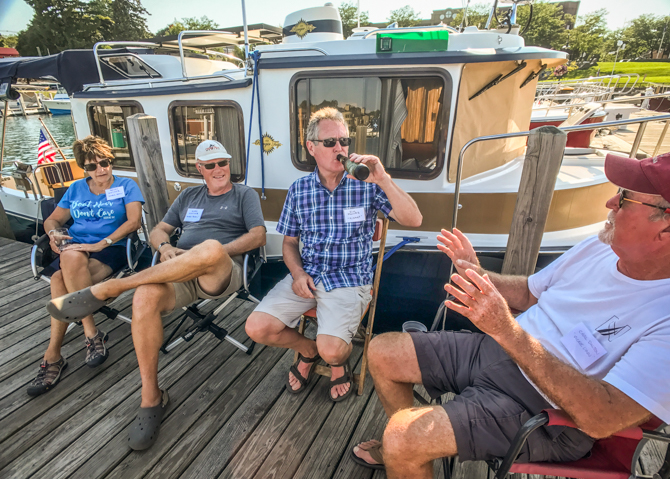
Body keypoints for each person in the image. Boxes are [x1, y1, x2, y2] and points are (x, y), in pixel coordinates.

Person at [351, 152, 670, 478]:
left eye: (625, 198)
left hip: (545, 410)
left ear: (666, 225)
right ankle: (411, 453)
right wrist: (475, 273)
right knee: (381, 351)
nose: (610, 202)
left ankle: (406, 446)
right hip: (501, 351)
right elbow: (530, 293)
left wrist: (505, 330)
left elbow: (602, 418)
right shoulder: (598, 247)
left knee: (402, 436)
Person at [47, 139, 266, 450]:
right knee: (145, 296)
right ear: (200, 169)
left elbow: (258, 235)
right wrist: (164, 248)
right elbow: (157, 230)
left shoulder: (244, 194)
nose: (220, 169)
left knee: (211, 248)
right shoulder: (189, 195)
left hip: (220, 271)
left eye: (224, 163)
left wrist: (208, 254)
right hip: (176, 270)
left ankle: (113, 287)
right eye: (212, 164)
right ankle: (151, 397)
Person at [245, 107, 422, 402]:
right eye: (330, 142)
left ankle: (337, 362)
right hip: (308, 277)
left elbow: (414, 219)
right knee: (256, 327)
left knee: (333, 350)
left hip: (350, 278)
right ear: (311, 147)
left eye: (344, 141)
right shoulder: (299, 190)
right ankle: (307, 349)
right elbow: (289, 243)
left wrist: (383, 179)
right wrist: (298, 274)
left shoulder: (366, 186)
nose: (340, 148)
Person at [27, 135, 144, 397]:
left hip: (111, 250)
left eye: (105, 162)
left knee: (59, 280)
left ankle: (55, 356)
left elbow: (133, 222)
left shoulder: (126, 186)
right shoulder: (77, 188)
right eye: (92, 166)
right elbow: (54, 219)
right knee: (68, 260)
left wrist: (101, 243)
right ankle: (90, 334)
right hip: (74, 250)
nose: (100, 169)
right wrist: (54, 234)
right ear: (84, 168)